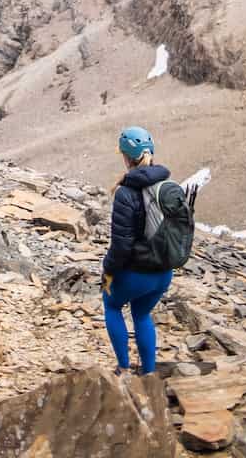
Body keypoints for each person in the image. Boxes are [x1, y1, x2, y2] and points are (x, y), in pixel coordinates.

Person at [101, 125, 174, 376]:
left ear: (125, 157)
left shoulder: (126, 193)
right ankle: (149, 374)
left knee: (111, 304)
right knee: (142, 314)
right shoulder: (167, 185)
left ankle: (123, 367)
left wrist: (107, 272)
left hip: (138, 273)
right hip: (164, 272)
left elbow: (121, 245)